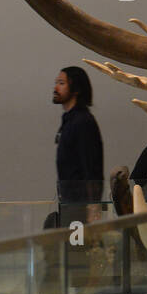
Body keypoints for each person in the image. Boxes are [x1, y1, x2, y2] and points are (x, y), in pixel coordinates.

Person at [52, 66, 104, 223]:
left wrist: (93, 206)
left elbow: (90, 166)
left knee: (78, 247)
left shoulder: (83, 122)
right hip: (69, 203)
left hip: (80, 206)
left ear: (76, 89)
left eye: (61, 83)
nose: (55, 88)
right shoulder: (69, 120)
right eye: (56, 83)